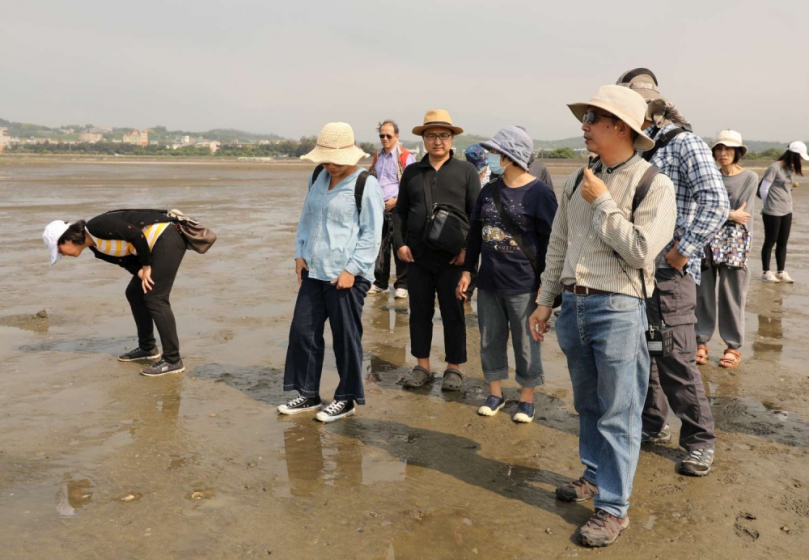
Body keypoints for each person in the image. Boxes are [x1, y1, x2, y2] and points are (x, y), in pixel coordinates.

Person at [530, 85, 677, 547]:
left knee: (620, 411)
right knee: (589, 404)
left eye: (593, 117)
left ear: (621, 128)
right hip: (574, 304)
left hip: (619, 307)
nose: (584, 125)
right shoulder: (577, 179)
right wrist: (544, 299)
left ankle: (613, 509)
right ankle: (593, 476)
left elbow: (639, 251)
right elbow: (558, 244)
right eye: (587, 116)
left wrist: (604, 203)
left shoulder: (655, 183)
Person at [617, 68, 729, 477]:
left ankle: (700, 440)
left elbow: (715, 200)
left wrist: (682, 252)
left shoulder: (684, 144)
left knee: (677, 358)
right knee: (649, 351)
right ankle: (653, 424)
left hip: (670, 274)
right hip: (639, 270)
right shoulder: (639, 150)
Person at [278, 122, 384, 423]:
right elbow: (307, 218)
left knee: (345, 337)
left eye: (336, 160)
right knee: (302, 332)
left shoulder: (366, 184)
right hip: (314, 270)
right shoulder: (317, 176)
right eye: (325, 159)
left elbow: (371, 235)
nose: (330, 165)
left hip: (346, 276)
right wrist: (299, 253)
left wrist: (352, 270)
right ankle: (308, 393)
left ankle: (347, 398)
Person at [458, 127, 557, 423]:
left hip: (524, 285)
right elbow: (475, 235)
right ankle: (495, 393)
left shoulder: (540, 193)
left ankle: (526, 398)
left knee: (526, 342)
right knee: (490, 338)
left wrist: (547, 288)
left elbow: (552, 244)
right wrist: (467, 271)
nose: (495, 156)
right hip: (489, 281)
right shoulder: (489, 189)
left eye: (500, 151)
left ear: (512, 155)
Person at [394, 109, 481, 391]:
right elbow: (400, 213)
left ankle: (453, 369)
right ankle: (423, 366)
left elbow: (477, 217)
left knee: (453, 312)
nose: (437, 141)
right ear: (424, 139)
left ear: (452, 138)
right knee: (418, 311)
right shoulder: (412, 172)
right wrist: (400, 243)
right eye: (431, 136)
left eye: (443, 135)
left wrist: (468, 252)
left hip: (453, 259)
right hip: (417, 257)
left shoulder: (466, 172)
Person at [42, 210, 189, 376]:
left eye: (59, 250)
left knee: (155, 297)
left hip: (166, 237)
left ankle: (172, 360)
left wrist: (147, 266)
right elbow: (125, 261)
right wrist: (140, 272)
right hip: (153, 248)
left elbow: (136, 234)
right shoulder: (97, 250)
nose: (62, 255)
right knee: (134, 292)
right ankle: (147, 348)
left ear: (68, 239)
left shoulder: (97, 226)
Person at [695, 131, 758, 369]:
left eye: (729, 150)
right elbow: (704, 207)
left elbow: (744, 213)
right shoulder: (710, 176)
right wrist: (729, 214)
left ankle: (733, 346)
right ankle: (700, 341)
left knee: (732, 295)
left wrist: (722, 214)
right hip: (706, 241)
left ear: (737, 153)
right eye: (719, 149)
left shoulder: (750, 177)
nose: (723, 154)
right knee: (704, 294)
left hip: (735, 245)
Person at [367, 120, 416, 299]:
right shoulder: (377, 157)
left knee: (399, 245)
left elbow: (412, 183)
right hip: (379, 207)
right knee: (380, 247)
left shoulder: (405, 157)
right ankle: (381, 282)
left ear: (397, 136)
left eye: (389, 135)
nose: (385, 139)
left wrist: (397, 200)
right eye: (382, 135)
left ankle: (402, 284)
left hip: (399, 207)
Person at [759, 141, 808, 283]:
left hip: (787, 209)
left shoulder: (790, 169)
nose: (800, 161)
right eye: (799, 157)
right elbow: (763, 189)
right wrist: (768, 205)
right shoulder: (774, 167)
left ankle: (780, 271)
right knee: (770, 241)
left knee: (783, 242)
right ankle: (766, 272)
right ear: (793, 155)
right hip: (772, 211)